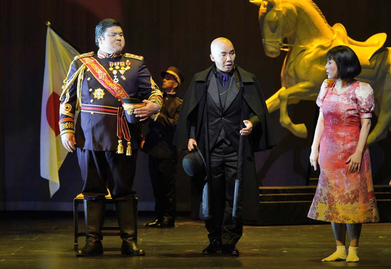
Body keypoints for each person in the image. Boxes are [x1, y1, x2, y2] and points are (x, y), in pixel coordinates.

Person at [59, 18, 163, 257]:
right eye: (114, 35)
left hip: (123, 137)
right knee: (93, 190)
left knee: (124, 190)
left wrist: (153, 107)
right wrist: (66, 128)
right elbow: (67, 99)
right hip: (89, 136)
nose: (119, 39)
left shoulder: (135, 64)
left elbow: (155, 93)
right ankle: (93, 241)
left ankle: (129, 242)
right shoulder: (82, 63)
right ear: (99, 39)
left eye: (121, 35)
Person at [174, 37, 275, 256]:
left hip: (236, 148)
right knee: (212, 194)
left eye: (232, 53)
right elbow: (191, 114)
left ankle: (230, 241)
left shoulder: (247, 80)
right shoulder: (200, 80)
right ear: (212, 57)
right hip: (209, 148)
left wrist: (252, 123)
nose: (229, 58)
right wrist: (191, 136)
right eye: (223, 54)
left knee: (234, 195)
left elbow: (259, 112)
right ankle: (214, 239)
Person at [308, 45, 379, 263]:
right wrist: (314, 148)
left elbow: (366, 124)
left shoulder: (362, 89)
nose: (326, 67)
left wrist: (359, 152)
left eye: (330, 62)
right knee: (333, 198)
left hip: (351, 149)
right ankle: (339, 247)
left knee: (352, 198)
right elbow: (321, 119)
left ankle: (354, 249)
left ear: (343, 64)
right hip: (329, 150)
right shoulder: (327, 87)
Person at [143, 66, 184, 228]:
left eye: (168, 78)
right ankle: (159, 216)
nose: (164, 80)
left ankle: (168, 217)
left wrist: (156, 116)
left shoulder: (179, 104)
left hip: (167, 150)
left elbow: (175, 125)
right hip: (154, 149)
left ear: (175, 84)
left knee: (168, 186)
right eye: (164, 78)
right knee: (156, 186)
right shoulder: (157, 102)